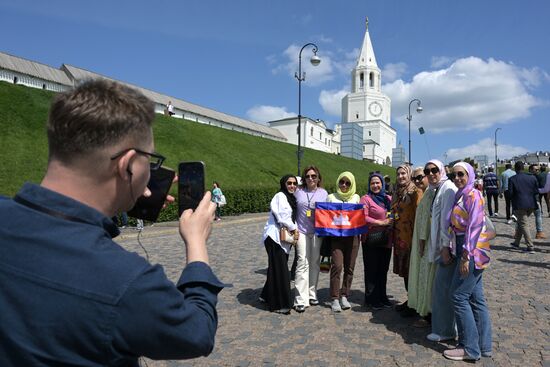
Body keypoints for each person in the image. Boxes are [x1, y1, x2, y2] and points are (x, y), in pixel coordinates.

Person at [0, 79, 225, 366]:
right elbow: (197, 333)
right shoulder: (128, 281)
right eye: (150, 161)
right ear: (128, 165)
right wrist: (196, 244)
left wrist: (120, 199)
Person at [443, 162, 492, 361]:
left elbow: (474, 227)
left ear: (469, 174)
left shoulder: (473, 195)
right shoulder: (461, 195)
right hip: (469, 248)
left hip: (471, 249)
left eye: (461, 174)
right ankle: (484, 345)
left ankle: (469, 347)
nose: (457, 178)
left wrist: (465, 256)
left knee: (458, 296)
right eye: (454, 175)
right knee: (476, 298)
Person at [425, 159, 458, 342]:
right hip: (440, 246)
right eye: (427, 170)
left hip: (446, 248)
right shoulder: (437, 189)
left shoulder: (447, 189)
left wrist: (445, 247)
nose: (430, 174)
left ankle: (445, 330)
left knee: (443, 291)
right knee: (442, 290)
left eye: (434, 170)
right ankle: (445, 328)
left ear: (442, 171)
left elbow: (447, 222)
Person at [260, 174, 299, 314]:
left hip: (282, 239)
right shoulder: (280, 196)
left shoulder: (291, 198)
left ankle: (265, 295)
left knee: (276, 268)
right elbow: (282, 216)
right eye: (289, 183)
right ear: (284, 184)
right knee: (281, 271)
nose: (292, 186)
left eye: (294, 183)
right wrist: (295, 230)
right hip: (275, 237)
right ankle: (279, 304)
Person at [293, 165, 328, 311]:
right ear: (304, 178)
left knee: (314, 263)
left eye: (314, 176)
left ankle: (312, 293)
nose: (311, 178)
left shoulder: (323, 193)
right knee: (302, 261)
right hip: (301, 231)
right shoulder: (298, 191)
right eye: (307, 176)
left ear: (318, 178)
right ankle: (300, 299)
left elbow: (327, 212)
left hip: (316, 232)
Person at [390, 164, 422, 317]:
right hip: (399, 237)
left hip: (411, 238)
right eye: (399, 174)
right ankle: (410, 300)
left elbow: (419, 216)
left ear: (409, 174)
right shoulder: (397, 191)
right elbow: (393, 212)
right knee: (405, 272)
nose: (401, 176)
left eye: (404, 173)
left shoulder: (416, 191)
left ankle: (416, 303)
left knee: (412, 271)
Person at [407, 167, 437, 327]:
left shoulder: (432, 193)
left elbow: (428, 219)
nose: (418, 181)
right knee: (422, 276)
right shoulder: (426, 193)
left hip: (425, 243)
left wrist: (422, 240)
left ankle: (427, 312)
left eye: (420, 177)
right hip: (421, 240)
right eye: (415, 178)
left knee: (427, 277)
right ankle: (423, 309)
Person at [327, 171, 361, 312]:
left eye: (348, 183)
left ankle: (345, 295)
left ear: (352, 184)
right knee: (337, 266)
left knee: (350, 267)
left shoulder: (356, 197)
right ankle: (335, 297)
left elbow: (360, 216)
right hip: (336, 237)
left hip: (352, 237)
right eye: (342, 182)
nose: (344, 185)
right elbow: (325, 216)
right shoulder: (331, 197)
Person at [360, 173, 393, 310]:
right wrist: (379, 222)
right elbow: (363, 216)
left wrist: (391, 220)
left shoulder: (388, 198)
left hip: (386, 239)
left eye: (378, 183)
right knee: (372, 269)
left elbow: (393, 212)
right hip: (371, 240)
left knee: (383, 269)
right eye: (372, 183)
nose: (375, 185)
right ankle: (371, 299)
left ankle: (382, 296)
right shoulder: (366, 199)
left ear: (382, 184)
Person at [508, 162, 541, 253]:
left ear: (515, 169)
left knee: (523, 224)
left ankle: (530, 246)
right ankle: (516, 243)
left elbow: (510, 194)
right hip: (531, 204)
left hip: (520, 204)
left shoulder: (512, 179)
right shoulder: (532, 178)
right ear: (523, 168)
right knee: (520, 223)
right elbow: (536, 191)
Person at [528, 165, 545, 239]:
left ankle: (539, 232)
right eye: (536, 169)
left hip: (536, 199)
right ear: (531, 170)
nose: (538, 171)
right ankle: (517, 232)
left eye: (538, 169)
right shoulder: (531, 178)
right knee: (523, 218)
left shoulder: (537, 177)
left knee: (538, 216)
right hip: (529, 200)